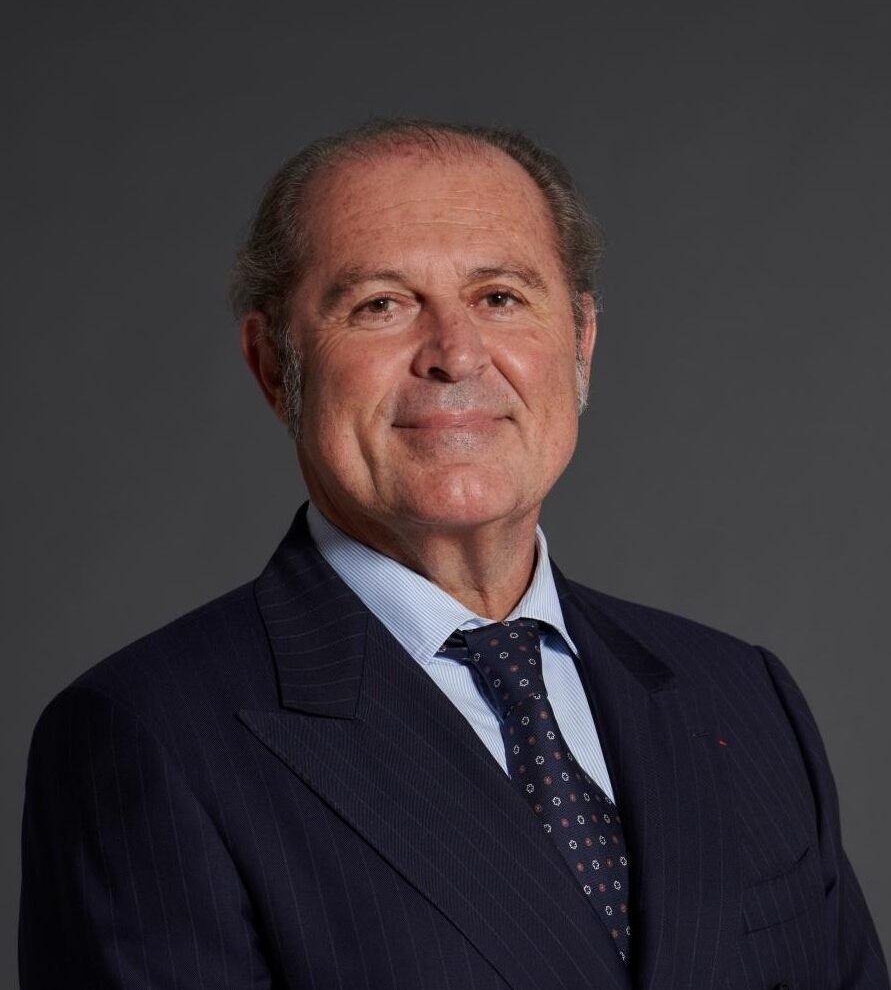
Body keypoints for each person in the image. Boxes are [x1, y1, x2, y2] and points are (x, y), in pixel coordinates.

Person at [19, 119, 888, 990]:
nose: (455, 355)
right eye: (380, 305)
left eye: (499, 297)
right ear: (274, 367)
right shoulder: (148, 736)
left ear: (580, 342)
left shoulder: (741, 694)